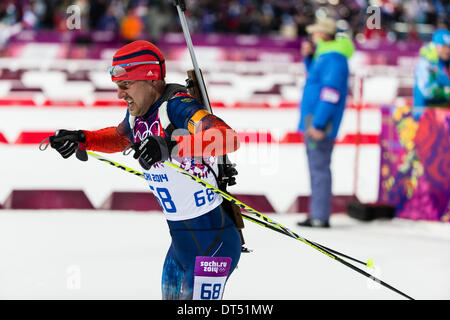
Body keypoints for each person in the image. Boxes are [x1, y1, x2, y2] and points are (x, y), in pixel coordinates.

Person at [47, 40, 242, 300]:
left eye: (125, 85)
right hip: (181, 246)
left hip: (214, 244)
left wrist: (170, 146)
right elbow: (119, 138)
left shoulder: (176, 106)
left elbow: (226, 138)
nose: (119, 94)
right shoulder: (138, 115)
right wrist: (83, 137)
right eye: (118, 87)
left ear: (150, 79)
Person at [296, 18, 354, 228]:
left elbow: (331, 93)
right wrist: (309, 58)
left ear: (321, 34)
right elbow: (318, 81)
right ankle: (318, 213)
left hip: (319, 123)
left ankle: (320, 215)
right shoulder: (328, 56)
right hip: (315, 120)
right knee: (317, 167)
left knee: (319, 168)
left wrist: (319, 124)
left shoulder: (334, 58)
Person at [413, 28, 450, 116]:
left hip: (442, 115)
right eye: (446, 47)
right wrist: (446, 92)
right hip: (424, 115)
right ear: (437, 46)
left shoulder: (444, 63)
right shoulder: (426, 63)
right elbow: (426, 90)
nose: (448, 51)